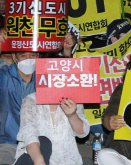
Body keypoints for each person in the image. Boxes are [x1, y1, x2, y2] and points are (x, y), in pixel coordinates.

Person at [0, 32, 75, 165]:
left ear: (38, 57)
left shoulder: (45, 78)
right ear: (14, 57)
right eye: (23, 55)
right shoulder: (4, 76)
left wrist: (67, 51)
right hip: (9, 142)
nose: (28, 59)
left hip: (39, 141)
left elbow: (65, 76)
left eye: (32, 55)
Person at [13, 93, 89, 165]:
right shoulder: (31, 100)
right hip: (35, 158)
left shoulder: (73, 100)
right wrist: (39, 161)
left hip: (68, 161)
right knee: (43, 141)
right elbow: (29, 134)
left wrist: (72, 115)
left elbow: (82, 133)